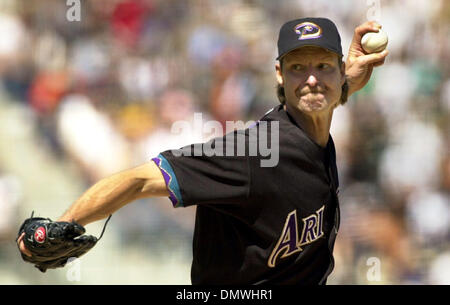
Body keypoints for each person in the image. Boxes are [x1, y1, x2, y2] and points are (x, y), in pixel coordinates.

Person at [18, 17, 388, 284]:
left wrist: (343, 86)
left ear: (341, 71)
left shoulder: (316, 124)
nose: (311, 78)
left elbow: (318, 99)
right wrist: (63, 225)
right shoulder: (256, 152)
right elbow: (140, 180)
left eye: (323, 66)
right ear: (279, 74)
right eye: (297, 68)